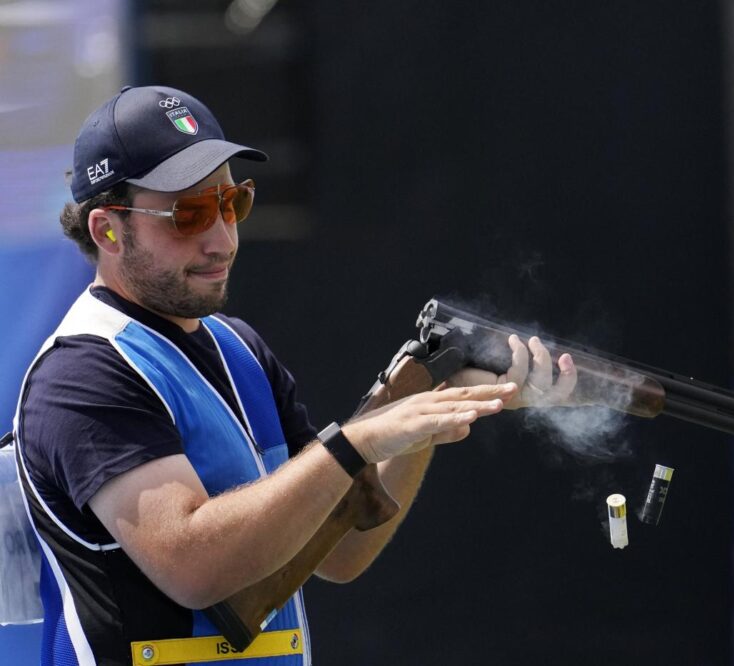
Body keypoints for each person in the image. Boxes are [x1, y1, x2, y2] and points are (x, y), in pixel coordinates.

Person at [11, 85, 576, 665]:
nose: (222, 238)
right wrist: (360, 439)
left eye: (232, 203)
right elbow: (193, 568)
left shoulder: (239, 349)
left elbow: (339, 551)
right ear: (107, 230)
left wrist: (426, 419)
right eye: (190, 214)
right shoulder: (81, 374)